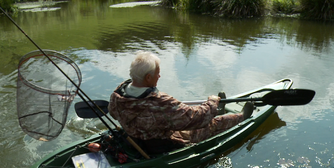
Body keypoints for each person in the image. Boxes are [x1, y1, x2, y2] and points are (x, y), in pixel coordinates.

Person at [108, 51, 253, 153]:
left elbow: (113, 114)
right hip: (163, 143)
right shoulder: (160, 102)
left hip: (137, 137)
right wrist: (212, 102)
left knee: (184, 111)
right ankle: (242, 117)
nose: (159, 75)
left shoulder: (118, 94)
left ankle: (215, 111)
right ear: (148, 78)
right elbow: (194, 117)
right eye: (157, 73)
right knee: (209, 124)